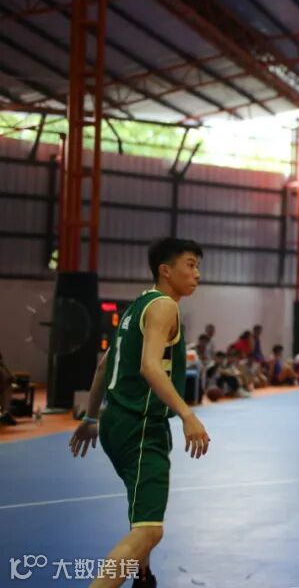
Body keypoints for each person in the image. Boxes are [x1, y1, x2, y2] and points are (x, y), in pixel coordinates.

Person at [69, 238, 211, 588]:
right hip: (141, 427)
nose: (197, 273)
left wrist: (91, 418)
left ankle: (143, 577)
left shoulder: (137, 306)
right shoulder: (164, 307)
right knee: (150, 531)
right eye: (190, 264)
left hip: (114, 422)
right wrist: (187, 415)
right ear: (166, 270)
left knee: (141, 510)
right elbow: (150, 366)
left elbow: (104, 366)